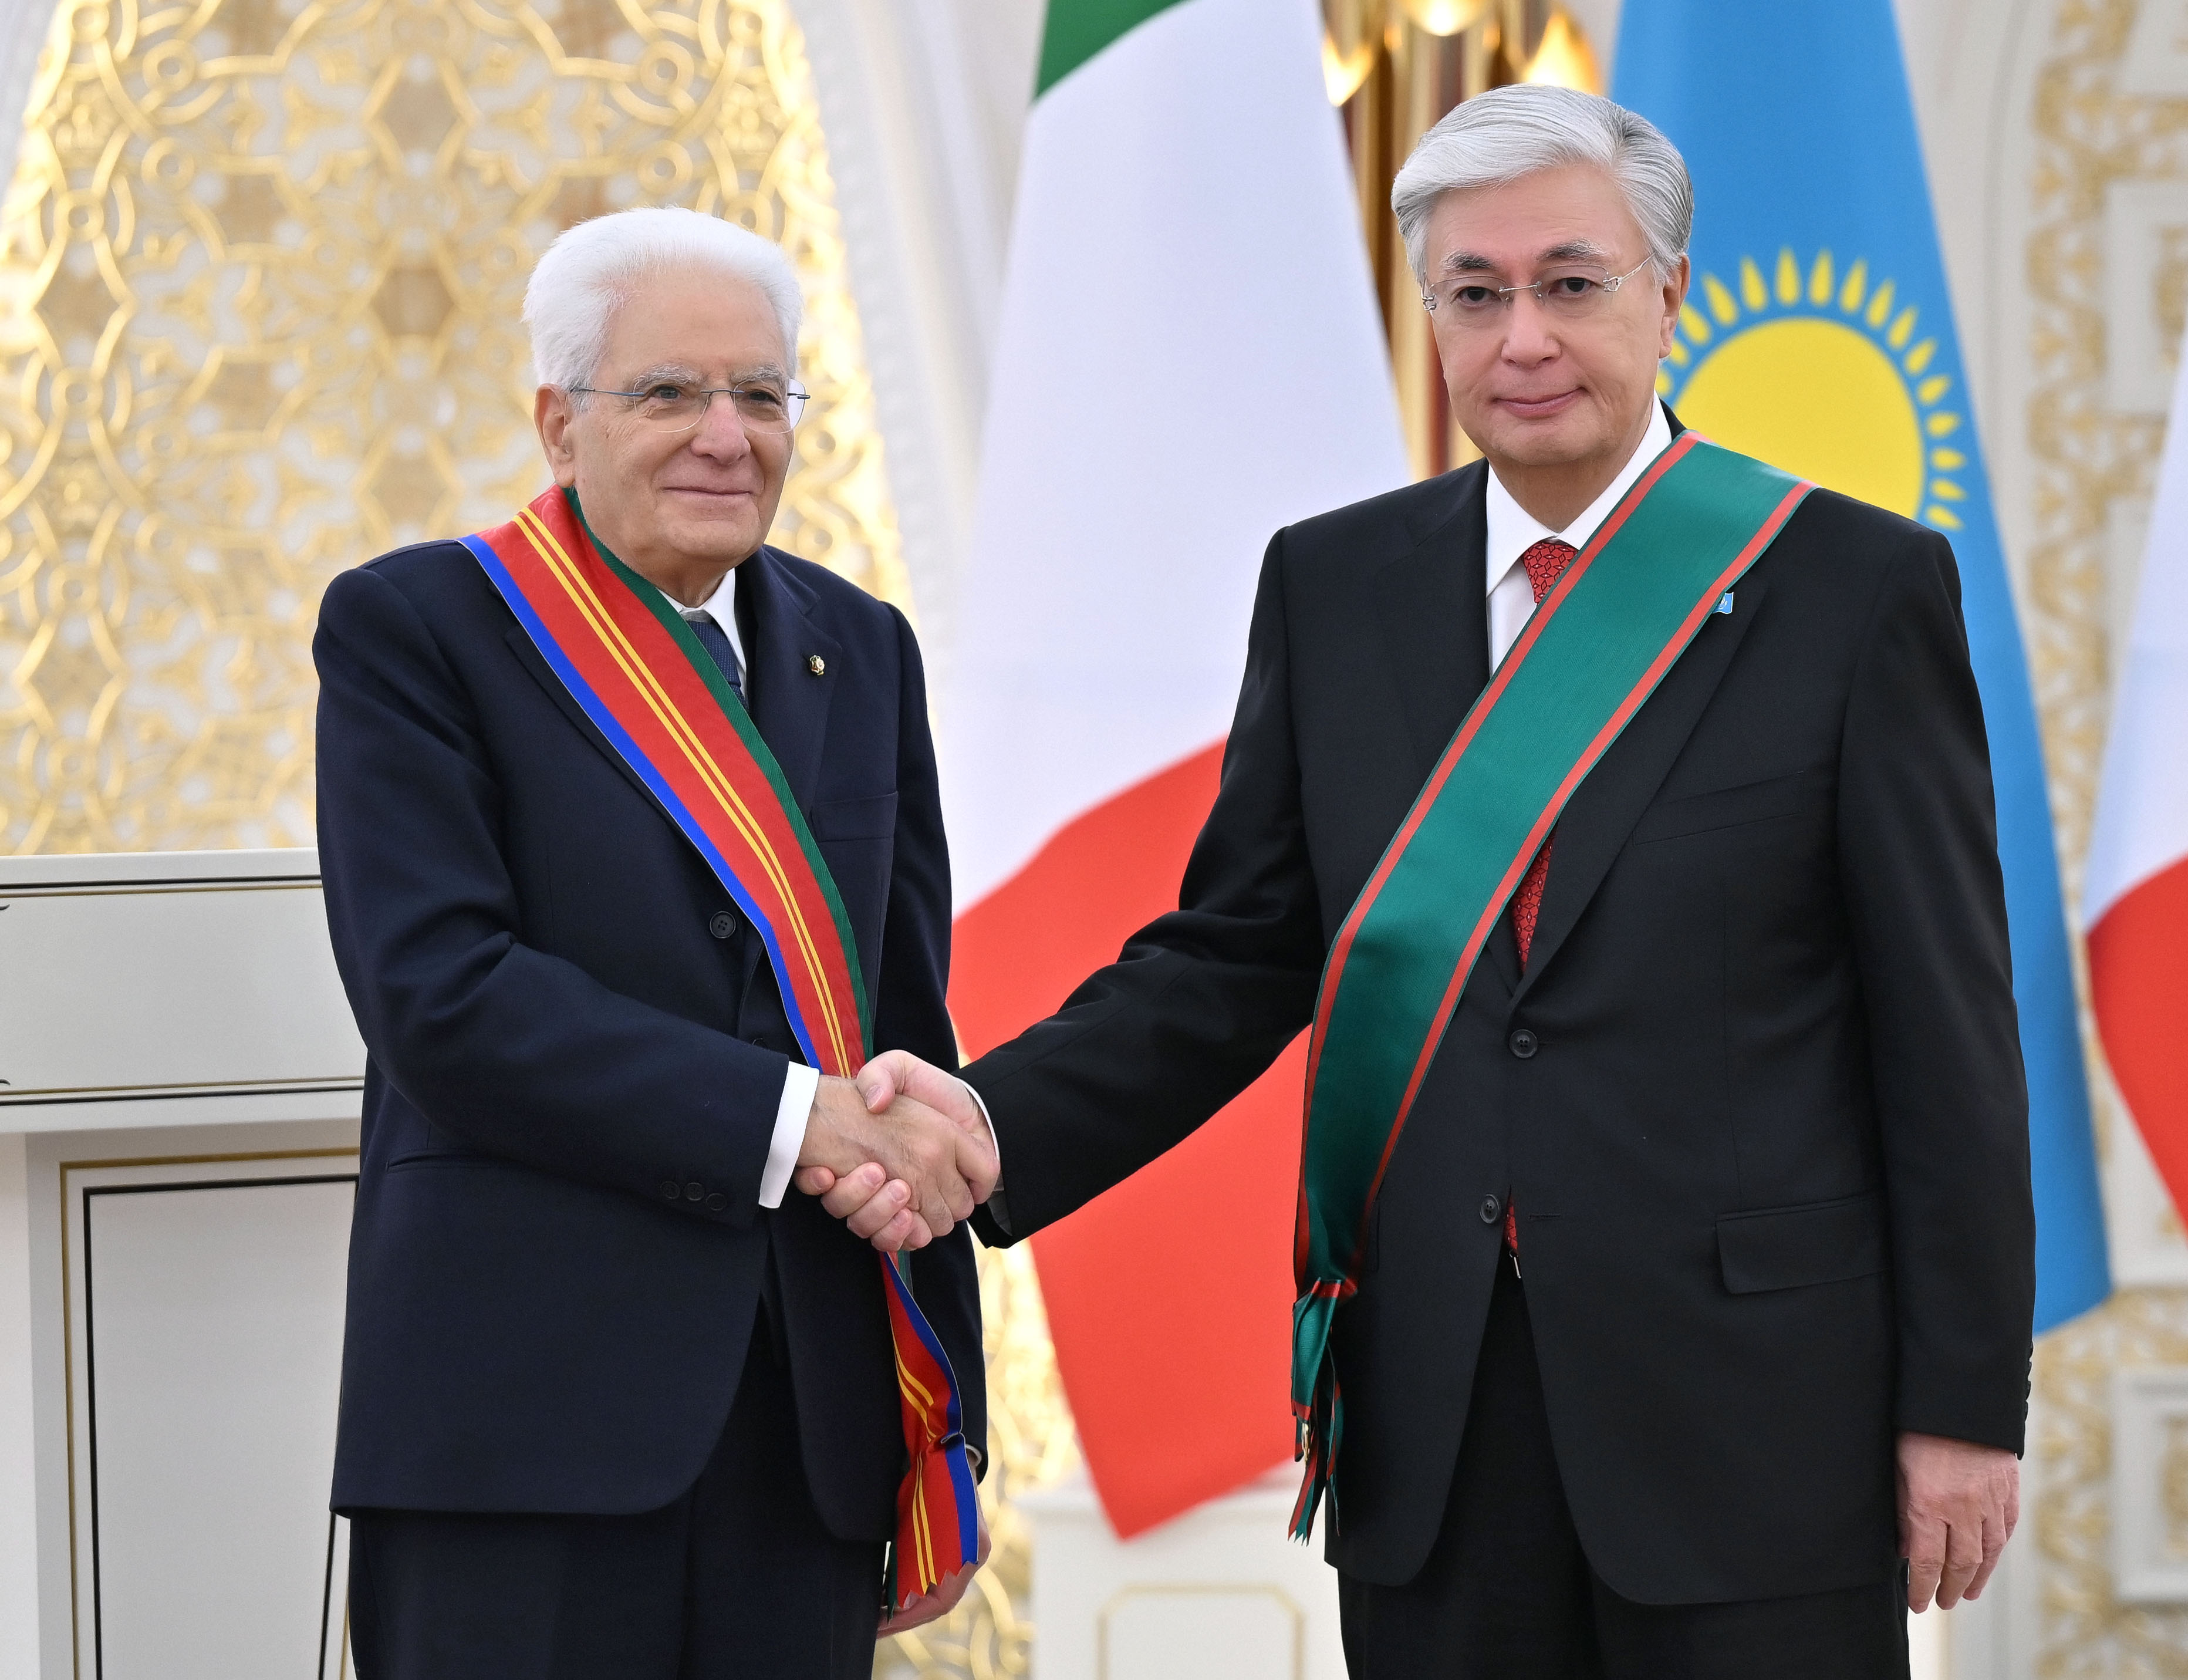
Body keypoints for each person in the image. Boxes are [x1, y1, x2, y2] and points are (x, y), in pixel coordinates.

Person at [825, 86, 2034, 1677]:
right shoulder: (1333, 586)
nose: (1521, 336)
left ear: (1668, 292)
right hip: (1435, 1414)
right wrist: (990, 1123)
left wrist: (1959, 1405)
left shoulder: (1851, 586)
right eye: (1474, 292)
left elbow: (1945, 1030)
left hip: (1754, 1416)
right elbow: (1238, 954)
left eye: (1570, 283)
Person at [315, 206, 1000, 1679]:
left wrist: (944, 1433)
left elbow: (903, 1037)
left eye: (761, 394)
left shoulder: (862, 646)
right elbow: (442, 998)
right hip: (522, 1426)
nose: (726, 436)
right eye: (670, 392)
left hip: (811, 1432)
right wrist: (791, 1121)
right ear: (559, 422)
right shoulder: (419, 628)